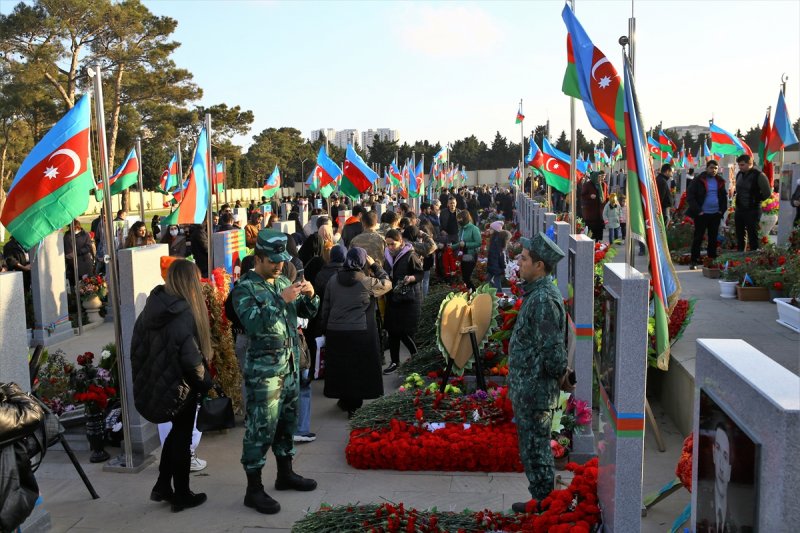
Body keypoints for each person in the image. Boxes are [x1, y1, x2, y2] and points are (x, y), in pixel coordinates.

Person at [232, 229, 319, 515]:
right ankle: (253, 489)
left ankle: (285, 474)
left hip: (289, 366)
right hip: (264, 373)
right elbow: (254, 324)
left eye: (282, 260)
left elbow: (307, 313)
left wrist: (310, 296)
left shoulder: (282, 280)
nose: (280, 265)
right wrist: (281, 299)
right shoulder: (245, 288)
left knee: (286, 424)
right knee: (261, 428)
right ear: (258, 258)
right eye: (273, 261)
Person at [130, 259, 214, 512]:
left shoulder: (153, 307)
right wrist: (207, 383)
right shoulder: (182, 313)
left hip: (157, 382)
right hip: (180, 386)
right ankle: (182, 495)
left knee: (176, 434)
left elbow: (137, 349)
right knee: (182, 438)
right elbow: (192, 360)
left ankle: (163, 486)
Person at [508, 233, 569, 514]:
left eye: (524, 259)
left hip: (536, 390)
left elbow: (553, 351)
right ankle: (541, 500)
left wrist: (556, 375)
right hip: (528, 387)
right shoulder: (537, 294)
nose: (519, 262)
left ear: (539, 265)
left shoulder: (543, 300)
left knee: (537, 449)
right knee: (531, 448)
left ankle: (546, 508)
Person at [321, 247, 392, 417]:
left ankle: (344, 400)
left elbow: (326, 306)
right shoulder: (366, 282)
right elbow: (388, 284)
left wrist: (325, 328)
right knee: (357, 368)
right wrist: (375, 266)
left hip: (335, 330)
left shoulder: (333, 280)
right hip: (359, 331)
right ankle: (354, 405)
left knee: (342, 368)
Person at [382, 228, 424, 374]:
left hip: (408, 300)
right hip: (392, 298)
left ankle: (416, 359)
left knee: (405, 332)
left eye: (392, 244)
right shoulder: (387, 256)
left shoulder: (410, 255)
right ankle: (394, 362)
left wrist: (411, 278)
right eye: (388, 244)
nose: (390, 247)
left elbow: (420, 274)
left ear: (400, 241)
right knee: (392, 331)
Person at [686, 160, 728, 269]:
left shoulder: (720, 181)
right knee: (698, 238)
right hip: (702, 214)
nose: (713, 170)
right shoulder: (698, 180)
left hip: (715, 214)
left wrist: (721, 211)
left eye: (715, 168)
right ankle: (694, 261)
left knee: (713, 238)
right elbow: (690, 196)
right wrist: (698, 211)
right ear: (707, 168)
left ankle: (711, 260)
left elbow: (724, 197)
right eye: (711, 167)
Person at [734, 154, 771, 251]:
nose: (740, 167)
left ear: (750, 164)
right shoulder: (739, 174)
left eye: (742, 165)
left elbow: (767, 193)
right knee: (740, 234)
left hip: (752, 210)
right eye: (739, 165)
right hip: (739, 209)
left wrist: (756, 199)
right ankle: (740, 254)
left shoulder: (759, 175)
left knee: (752, 235)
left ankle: (754, 254)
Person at [452, 210, 481, 291]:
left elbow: (478, 242)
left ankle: (474, 292)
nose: (458, 221)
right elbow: (460, 243)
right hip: (462, 254)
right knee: (464, 277)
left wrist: (466, 244)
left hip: (470, 255)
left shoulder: (474, 229)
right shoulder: (461, 229)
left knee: (467, 277)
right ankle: (470, 292)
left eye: (460, 219)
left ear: (465, 218)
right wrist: (451, 247)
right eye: (458, 219)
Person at [63, 220, 95, 288]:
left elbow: (88, 247)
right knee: (73, 284)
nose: (73, 230)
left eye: (74, 228)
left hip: (84, 262)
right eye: (71, 228)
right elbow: (65, 247)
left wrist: (77, 252)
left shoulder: (85, 235)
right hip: (71, 264)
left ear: (78, 227)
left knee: (87, 284)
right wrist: (68, 255)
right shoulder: (67, 235)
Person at [581, 171, 607, 242]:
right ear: (594, 177)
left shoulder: (603, 185)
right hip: (591, 212)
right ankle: (590, 242)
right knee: (591, 229)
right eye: (598, 177)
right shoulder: (587, 185)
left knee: (599, 228)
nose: (600, 179)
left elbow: (606, 195)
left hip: (600, 211)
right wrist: (590, 196)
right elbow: (583, 195)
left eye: (600, 177)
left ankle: (597, 243)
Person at [487, 220, 511, 292]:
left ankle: (499, 293)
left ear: (495, 230)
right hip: (494, 265)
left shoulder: (497, 241)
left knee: (495, 281)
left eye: (491, 228)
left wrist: (500, 266)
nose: (489, 230)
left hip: (495, 266)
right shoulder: (495, 238)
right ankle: (496, 293)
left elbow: (498, 255)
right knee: (491, 280)